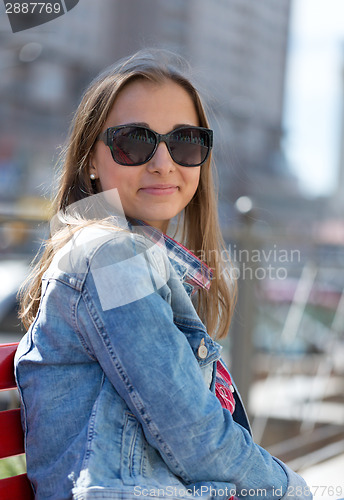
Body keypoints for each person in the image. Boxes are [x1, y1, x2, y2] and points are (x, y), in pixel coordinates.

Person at [15, 49, 312, 500]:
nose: (162, 163)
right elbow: (193, 435)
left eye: (185, 142)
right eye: (134, 142)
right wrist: (295, 490)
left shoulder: (132, 256)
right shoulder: (111, 256)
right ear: (91, 159)